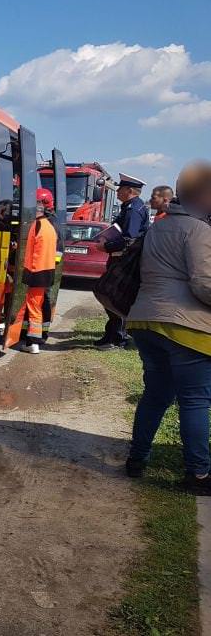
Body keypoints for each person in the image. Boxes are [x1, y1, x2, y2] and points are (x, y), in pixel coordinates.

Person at [123, 161, 211, 494]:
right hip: (184, 326)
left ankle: (136, 460)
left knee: (156, 396)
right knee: (195, 401)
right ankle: (198, 475)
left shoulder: (158, 226)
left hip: (146, 320)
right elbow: (204, 283)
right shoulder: (200, 230)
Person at [94, 173, 150, 350]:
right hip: (120, 258)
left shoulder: (133, 209)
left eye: (121, 189)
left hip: (125, 260)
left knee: (116, 296)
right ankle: (111, 335)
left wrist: (107, 247)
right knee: (110, 296)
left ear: (130, 191)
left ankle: (118, 338)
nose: (117, 192)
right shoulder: (130, 207)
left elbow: (129, 239)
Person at [19, 188, 58, 354]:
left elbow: (30, 251)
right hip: (46, 272)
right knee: (37, 306)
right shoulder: (49, 226)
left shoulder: (36, 225)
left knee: (34, 307)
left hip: (36, 272)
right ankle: (30, 338)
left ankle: (32, 342)